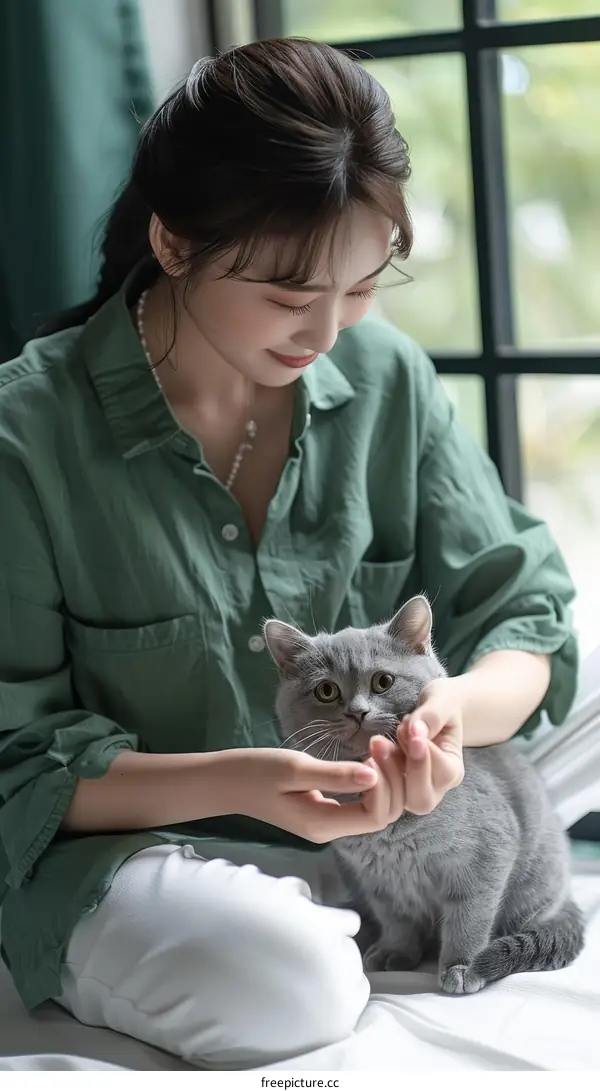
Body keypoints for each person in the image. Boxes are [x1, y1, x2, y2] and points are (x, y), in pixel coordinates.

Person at [0, 37, 577, 1069]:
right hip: (166, 840)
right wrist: (254, 781)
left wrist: (446, 715)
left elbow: (519, 607)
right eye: (285, 294)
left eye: (359, 288)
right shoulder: (27, 439)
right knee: (283, 988)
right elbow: (19, 762)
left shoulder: (385, 376)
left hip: (403, 802)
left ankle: (396, 872)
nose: (327, 330)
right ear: (174, 244)